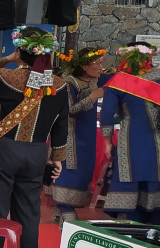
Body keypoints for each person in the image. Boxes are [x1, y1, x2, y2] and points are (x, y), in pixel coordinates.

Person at [0, 27, 68, 248]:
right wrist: (57, 158)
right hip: (37, 153)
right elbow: (61, 123)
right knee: (29, 213)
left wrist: (6, 59)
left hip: (5, 150)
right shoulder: (59, 85)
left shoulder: (7, 77)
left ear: (19, 51)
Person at [101, 42, 160, 224]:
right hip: (155, 137)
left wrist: (108, 142)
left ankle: (127, 223)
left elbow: (107, 113)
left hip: (130, 139)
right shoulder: (158, 78)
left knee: (129, 174)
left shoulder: (118, 81)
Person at [51, 48, 107, 223]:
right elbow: (70, 109)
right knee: (69, 170)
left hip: (87, 135)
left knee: (84, 170)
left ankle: (61, 209)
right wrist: (93, 96)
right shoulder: (69, 82)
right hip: (70, 136)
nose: (100, 67)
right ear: (84, 66)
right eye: (97, 63)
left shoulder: (95, 80)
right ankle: (65, 208)